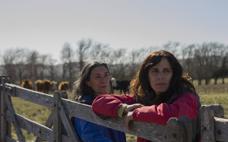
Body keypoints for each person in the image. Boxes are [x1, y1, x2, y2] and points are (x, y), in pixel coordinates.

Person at [92, 50, 201, 142]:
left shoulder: (187, 96)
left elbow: (172, 113)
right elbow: (99, 102)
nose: (160, 76)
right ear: (146, 75)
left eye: (166, 71)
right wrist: (123, 109)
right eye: (155, 71)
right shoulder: (145, 97)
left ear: (174, 75)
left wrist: (136, 113)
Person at [72, 61, 126, 142]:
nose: (103, 80)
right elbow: (91, 136)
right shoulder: (85, 107)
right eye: (97, 77)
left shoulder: (112, 103)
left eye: (106, 75)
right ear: (88, 82)